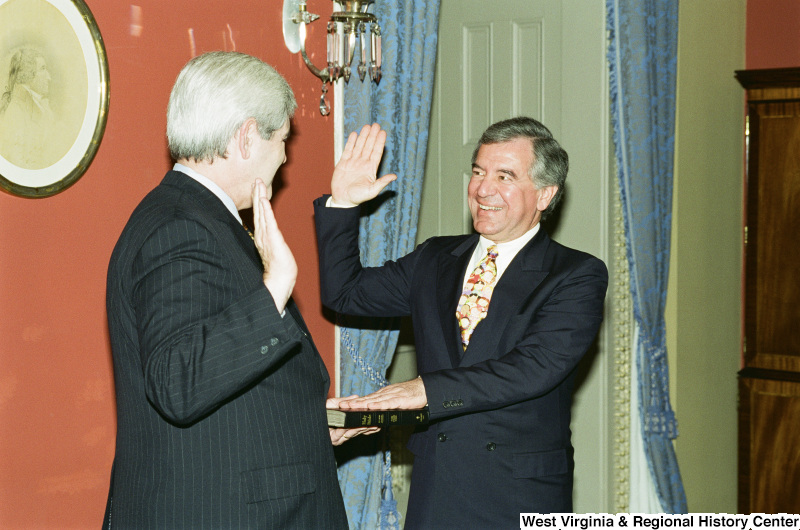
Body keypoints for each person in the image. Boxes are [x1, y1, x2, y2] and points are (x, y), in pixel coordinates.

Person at [105, 51, 366, 529]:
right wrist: (275, 287)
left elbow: (222, 380)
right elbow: (177, 381)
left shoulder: (193, 217)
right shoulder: (180, 227)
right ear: (247, 137)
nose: (286, 158)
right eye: (283, 140)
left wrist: (306, 420)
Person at [314, 118, 609, 528]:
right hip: (437, 491)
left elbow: (532, 368)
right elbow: (345, 293)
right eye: (478, 172)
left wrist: (422, 390)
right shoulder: (435, 259)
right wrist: (343, 205)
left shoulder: (576, 274)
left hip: (519, 495)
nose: (483, 189)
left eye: (504, 176)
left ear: (545, 193)